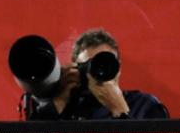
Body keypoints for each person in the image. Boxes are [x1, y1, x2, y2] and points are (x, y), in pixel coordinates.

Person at [20, 28, 169, 120]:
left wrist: (120, 110)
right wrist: (58, 105)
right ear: (76, 68)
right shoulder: (64, 106)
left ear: (119, 68)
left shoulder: (144, 106)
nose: (98, 72)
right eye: (88, 66)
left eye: (106, 63)